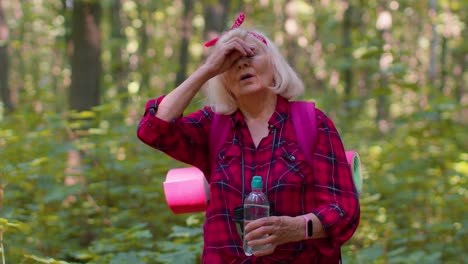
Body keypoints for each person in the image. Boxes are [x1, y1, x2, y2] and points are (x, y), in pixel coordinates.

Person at [137, 12, 360, 264]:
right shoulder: (211, 126)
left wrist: (297, 228)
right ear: (223, 79)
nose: (242, 64)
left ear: (274, 64)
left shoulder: (312, 123)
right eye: (230, 62)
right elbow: (152, 128)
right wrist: (207, 69)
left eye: (251, 55)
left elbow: (343, 210)